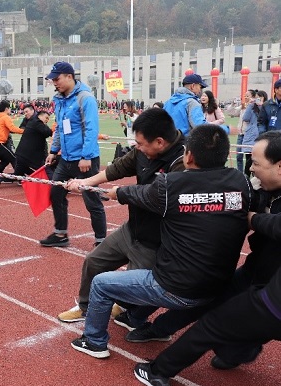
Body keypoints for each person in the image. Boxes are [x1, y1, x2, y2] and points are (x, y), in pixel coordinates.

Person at [70, 124, 252, 359]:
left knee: (103, 283)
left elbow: (135, 193)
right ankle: (134, 318)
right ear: (226, 156)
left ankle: (94, 341)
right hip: (218, 286)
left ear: (189, 156)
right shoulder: (241, 182)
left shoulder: (171, 185)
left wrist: (116, 192)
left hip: (177, 289)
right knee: (162, 267)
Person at [133, 131, 281, 386]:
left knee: (214, 324)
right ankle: (162, 329)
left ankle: (159, 370)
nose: (251, 170)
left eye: (257, 164)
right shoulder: (264, 189)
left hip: (272, 292)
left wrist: (253, 219)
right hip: (255, 272)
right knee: (214, 300)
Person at [57, 108, 185, 323]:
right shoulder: (142, 152)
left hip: (157, 240)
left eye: (141, 143)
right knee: (94, 261)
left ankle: (128, 312)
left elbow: (157, 197)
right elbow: (118, 168)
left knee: (135, 289)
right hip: (132, 228)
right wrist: (85, 183)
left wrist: (122, 193)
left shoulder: (184, 161)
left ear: (160, 142)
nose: (137, 147)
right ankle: (85, 306)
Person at [39, 61, 107, 248]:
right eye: (52, 79)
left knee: (91, 200)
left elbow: (92, 129)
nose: (55, 82)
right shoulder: (59, 100)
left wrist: (86, 156)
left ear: (69, 76)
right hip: (66, 158)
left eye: (57, 78)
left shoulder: (85, 98)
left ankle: (101, 240)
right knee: (56, 193)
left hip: (85, 159)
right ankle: (61, 235)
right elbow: (60, 128)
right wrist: (53, 151)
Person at [0, 100, 24, 186]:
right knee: (13, 158)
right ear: (6, 108)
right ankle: (20, 178)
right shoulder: (5, 117)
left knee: (6, 159)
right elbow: (12, 128)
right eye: (9, 109)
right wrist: (24, 131)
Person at [13, 109, 52, 177]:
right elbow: (48, 132)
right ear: (40, 116)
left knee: (18, 175)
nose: (47, 120)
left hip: (21, 154)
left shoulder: (32, 121)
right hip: (30, 156)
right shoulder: (38, 123)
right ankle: (54, 184)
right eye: (46, 118)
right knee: (45, 169)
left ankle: (0, 179)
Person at [242, 90, 267, 176]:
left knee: (257, 160)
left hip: (262, 136)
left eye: (259, 97)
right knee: (249, 160)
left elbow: (265, 118)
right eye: (256, 97)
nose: (257, 99)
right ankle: (246, 179)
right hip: (251, 136)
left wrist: (262, 106)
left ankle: (256, 179)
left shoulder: (267, 107)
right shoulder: (252, 107)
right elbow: (245, 118)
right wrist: (250, 105)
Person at [236, 90, 256, 172]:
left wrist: (250, 106)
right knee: (239, 157)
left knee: (249, 157)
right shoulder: (243, 107)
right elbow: (232, 112)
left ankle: (247, 174)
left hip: (248, 135)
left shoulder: (254, 107)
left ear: (253, 97)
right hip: (240, 134)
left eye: (248, 96)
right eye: (245, 96)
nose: (246, 97)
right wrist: (234, 103)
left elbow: (247, 119)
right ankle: (240, 174)